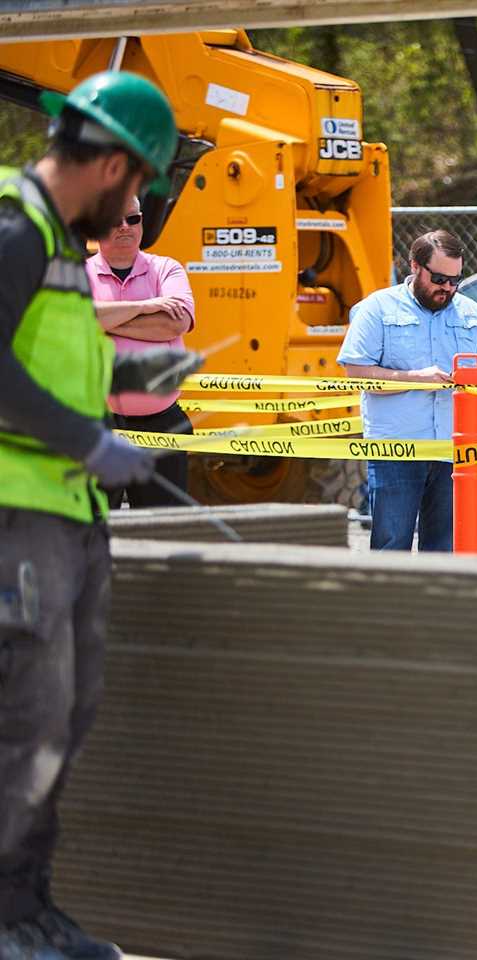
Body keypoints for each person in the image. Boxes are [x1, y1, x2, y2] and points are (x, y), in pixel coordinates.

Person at [0, 71, 180, 960]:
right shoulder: (14, 228)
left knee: (63, 716)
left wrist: (130, 384)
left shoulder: (62, 248)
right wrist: (84, 439)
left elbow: (45, 358)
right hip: (15, 512)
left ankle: (29, 911)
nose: (133, 205)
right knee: (24, 717)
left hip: (66, 511)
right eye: (138, 181)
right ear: (108, 162)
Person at [338, 229, 477, 552]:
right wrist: (416, 378)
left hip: (453, 451)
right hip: (397, 450)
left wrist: (471, 381)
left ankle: (437, 605)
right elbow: (355, 373)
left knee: (444, 548)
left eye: (456, 280)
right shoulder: (378, 309)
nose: (448, 288)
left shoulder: (472, 313)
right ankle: (390, 604)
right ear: (414, 266)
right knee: (391, 545)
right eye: (440, 278)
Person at [88, 193, 195, 508]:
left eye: (133, 218)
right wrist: (145, 306)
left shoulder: (167, 269)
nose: (125, 227)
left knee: (163, 535)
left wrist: (103, 321)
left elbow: (172, 326)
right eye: (115, 220)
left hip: (163, 425)